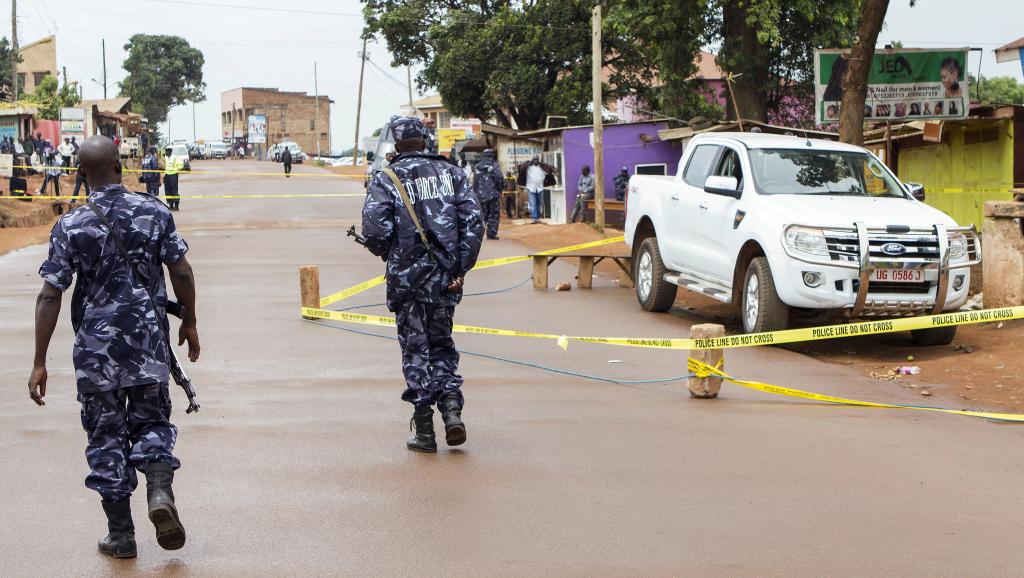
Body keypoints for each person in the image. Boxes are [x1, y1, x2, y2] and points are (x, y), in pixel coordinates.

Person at [29, 135, 200, 559]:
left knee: (105, 438)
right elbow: (180, 269)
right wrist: (191, 320)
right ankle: (159, 494)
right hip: (148, 347)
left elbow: (51, 295)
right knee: (152, 423)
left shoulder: (71, 225)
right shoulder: (154, 211)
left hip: (96, 354)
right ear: (120, 167)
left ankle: (121, 537)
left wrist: (38, 362)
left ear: (81, 174)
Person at [361, 116, 483, 453]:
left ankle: (425, 431)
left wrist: (391, 254)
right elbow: (474, 224)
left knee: (416, 351)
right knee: (442, 345)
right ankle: (453, 410)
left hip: (407, 283)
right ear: (424, 141)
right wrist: (460, 269)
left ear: (397, 144)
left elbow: (374, 232)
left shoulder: (386, 178)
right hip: (446, 280)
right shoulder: (453, 173)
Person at [473, 149, 505, 240]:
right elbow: (499, 178)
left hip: (480, 195)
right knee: (494, 214)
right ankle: (491, 234)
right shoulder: (494, 165)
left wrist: (475, 193)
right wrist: (500, 188)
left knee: (482, 214)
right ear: (492, 155)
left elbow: (475, 181)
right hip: (492, 194)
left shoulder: (477, 166)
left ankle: (478, 234)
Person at [517, 155, 556, 224]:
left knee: (539, 203)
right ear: (532, 160)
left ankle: (537, 218)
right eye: (534, 159)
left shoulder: (542, 168)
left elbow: (550, 168)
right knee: (533, 203)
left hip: (540, 188)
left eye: (537, 160)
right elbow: (521, 166)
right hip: (530, 187)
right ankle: (534, 218)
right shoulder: (528, 167)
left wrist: (554, 171)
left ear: (539, 160)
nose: (536, 161)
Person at [163, 147, 184, 211]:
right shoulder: (166, 158)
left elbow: (181, 165)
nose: (165, 153)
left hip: (173, 175)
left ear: (170, 152)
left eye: (166, 152)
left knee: (174, 190)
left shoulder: (175, 158)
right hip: (167, 175)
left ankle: (176, 206)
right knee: (167, 191)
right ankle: (171, 205)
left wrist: (174, 169)